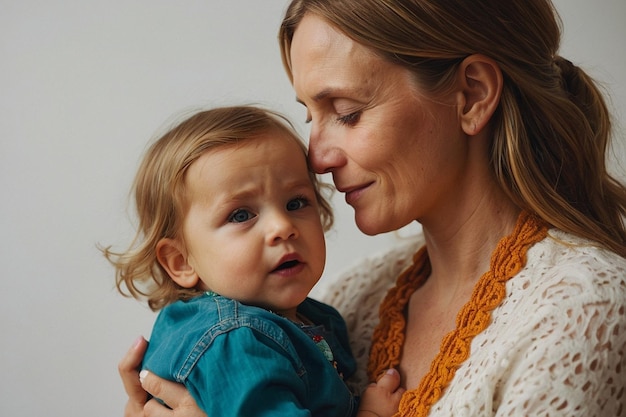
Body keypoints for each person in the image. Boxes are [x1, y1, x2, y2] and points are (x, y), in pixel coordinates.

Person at [119, 1, 626, 416]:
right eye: (312, 116)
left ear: (470, 95)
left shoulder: (586, 310)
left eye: (346, 113)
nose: (315, 158)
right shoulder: (347, 301)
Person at [106, 105, 404, 417]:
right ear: (181, 262)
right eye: (241, 215)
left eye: (295, 202)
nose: (282, 227)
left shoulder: (302, 316)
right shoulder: (234, 342)